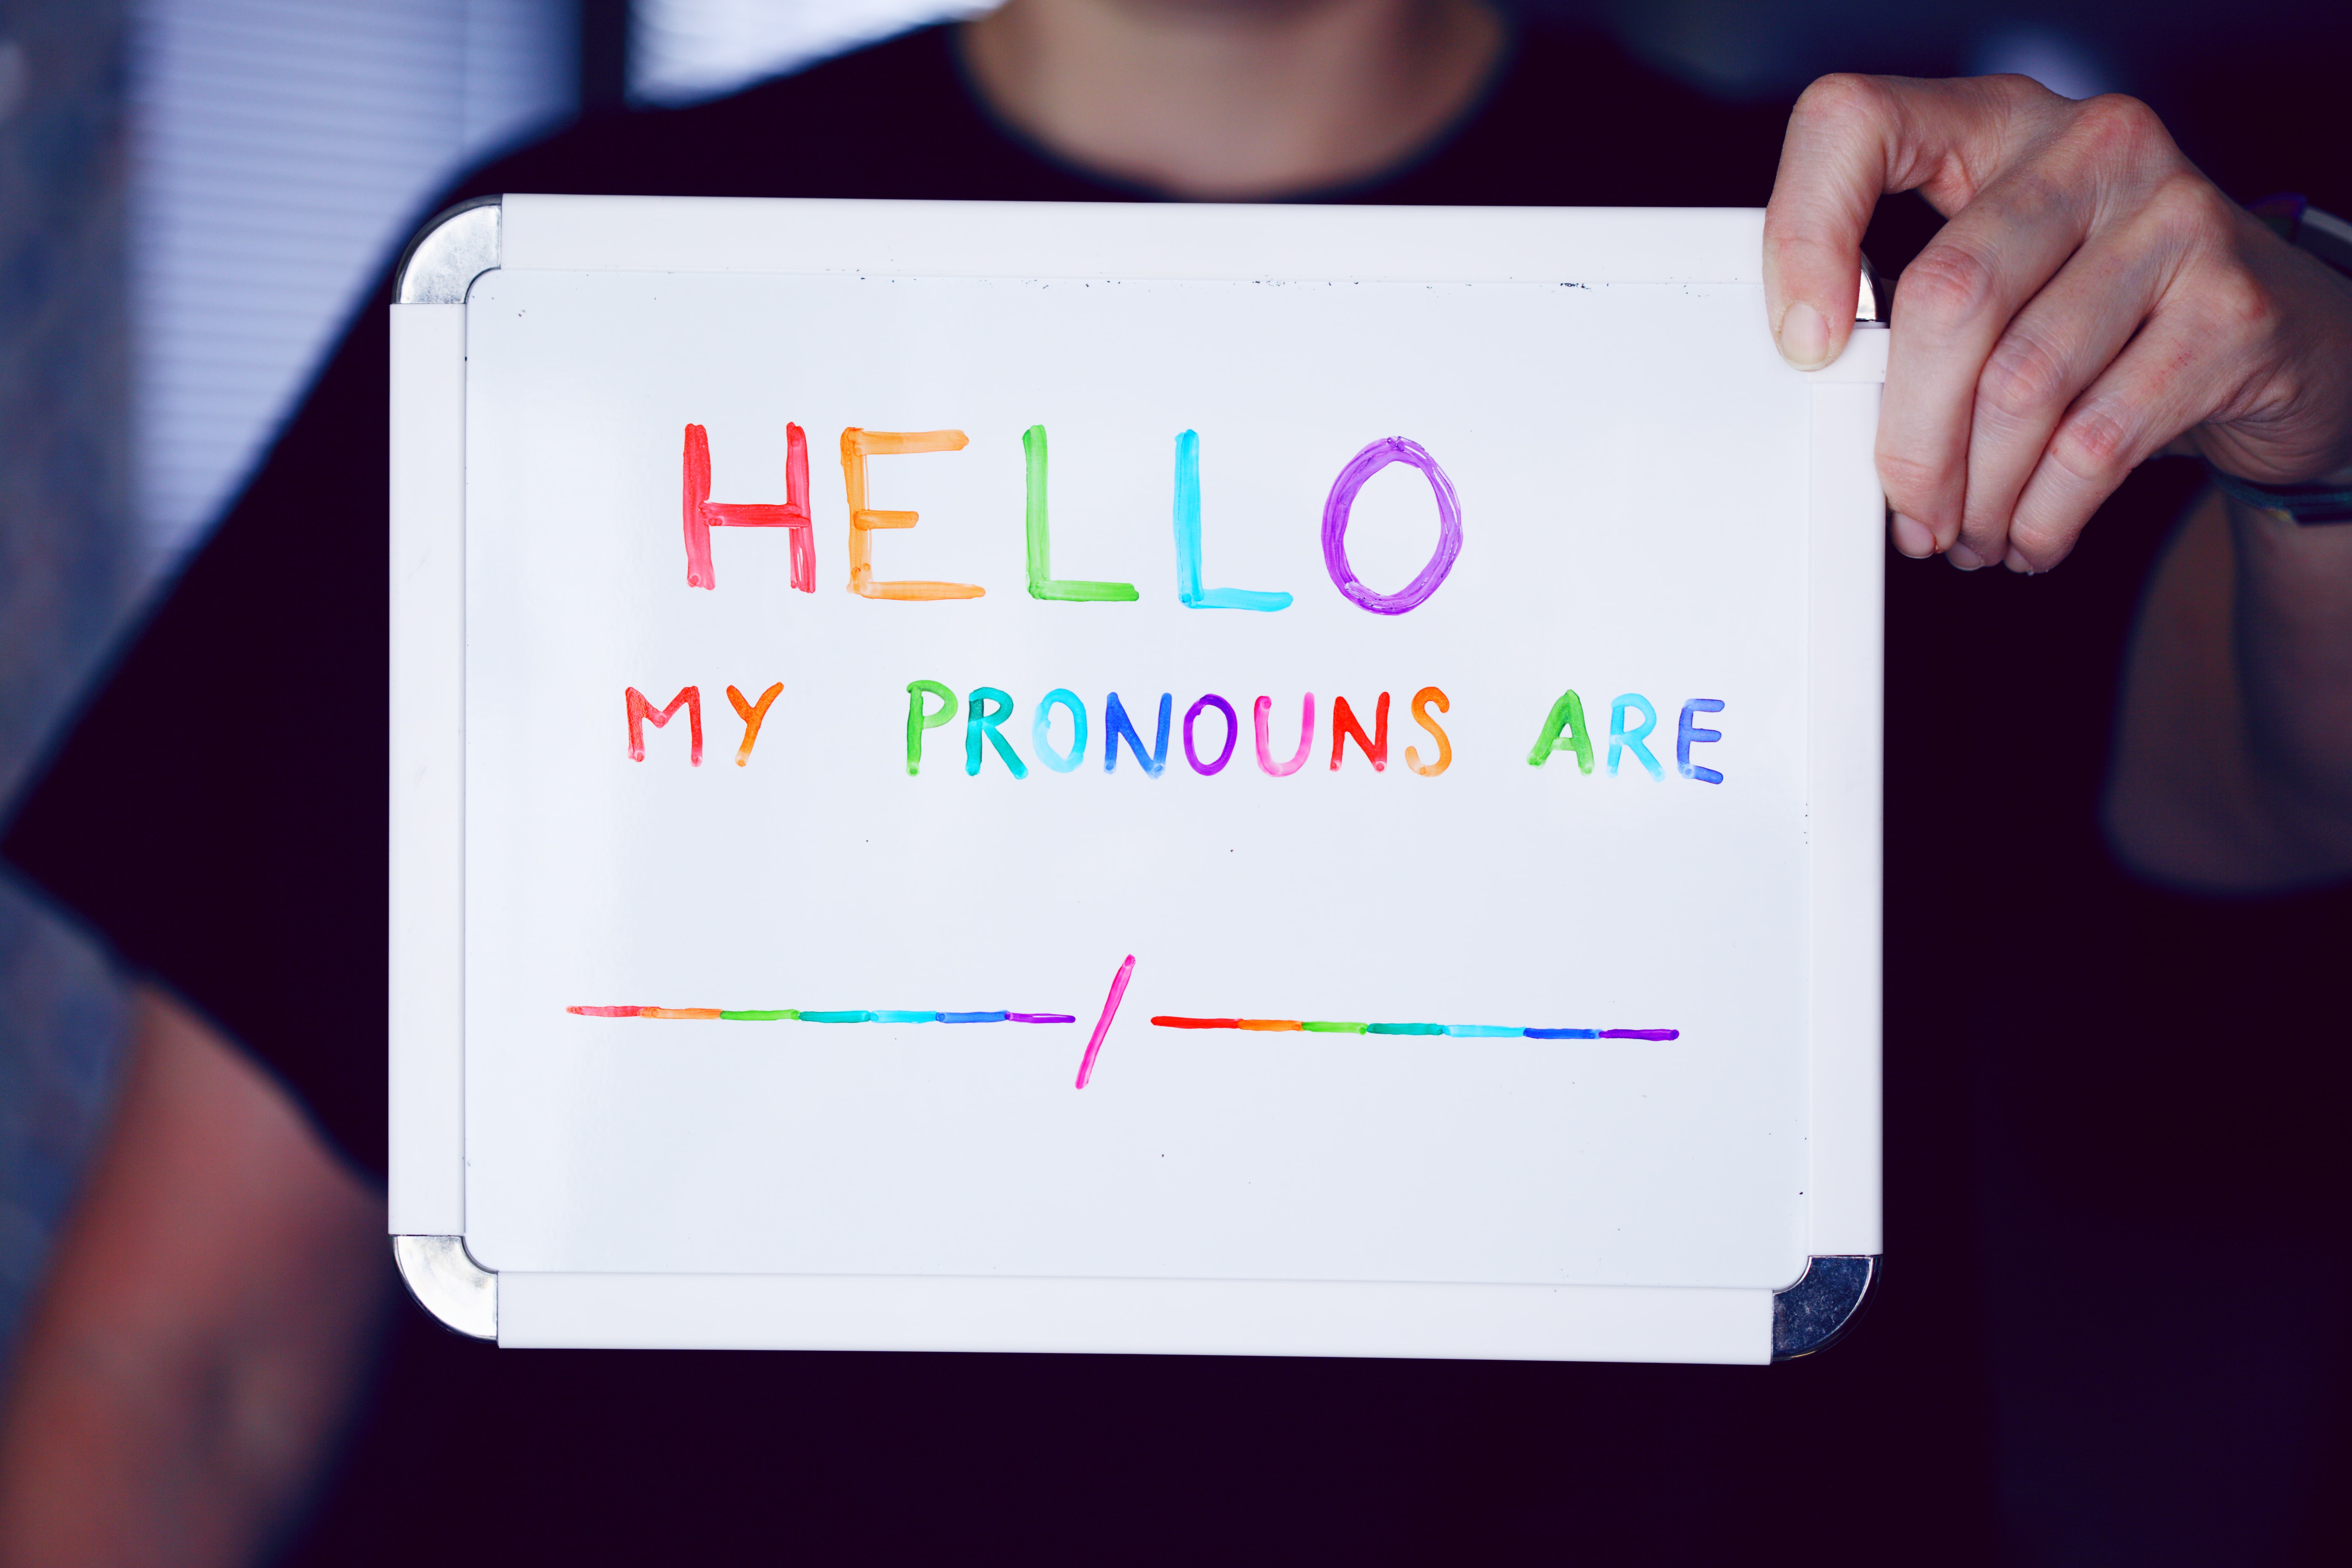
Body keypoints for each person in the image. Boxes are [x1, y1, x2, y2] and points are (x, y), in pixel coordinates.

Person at [3, 1, 2348, 1561]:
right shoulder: (564, 296)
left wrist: (2324, 417)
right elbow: (179, 1357)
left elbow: (2278, 780)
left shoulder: (1868, 295)